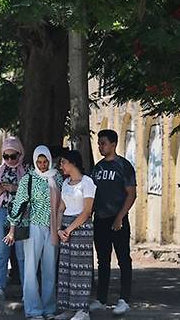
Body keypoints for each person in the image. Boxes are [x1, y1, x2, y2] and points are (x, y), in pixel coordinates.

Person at [5, 145, 63, 319]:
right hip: (34, 227)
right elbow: (19, 205)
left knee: (50, 269)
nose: (43, 165)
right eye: (40, 162)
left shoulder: (57, 177)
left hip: (52, 228)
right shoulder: (29, 179)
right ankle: (33, 309)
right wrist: (12, 230)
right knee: (30, 269)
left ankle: (49, 308)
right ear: (35, 161)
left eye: (45, 162)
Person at [89, 129, 136, 315]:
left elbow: (131, 194)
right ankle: (101, 298)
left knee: (123, 259)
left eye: (103, 143)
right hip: (100, 219)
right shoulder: (98, 168)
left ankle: (124, 299)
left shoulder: (124, 166)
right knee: (103, 260)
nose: (100, 146)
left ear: (113, 144)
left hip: (118, 219)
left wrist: (119, 217)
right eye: (99, 143)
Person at [55, 150, 96, 320]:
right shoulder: (65, 183)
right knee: (66, 270)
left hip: (80, 230)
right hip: (65, 229)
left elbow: (86, 212)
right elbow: (61, 208)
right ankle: (68, 308)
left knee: (81, 270)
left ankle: (82, 310)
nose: (61, 166)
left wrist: (69, 229)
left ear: (73, 163)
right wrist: (59, 229)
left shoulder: (87, 183)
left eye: (64, 162)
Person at [0, 136, 26, 301]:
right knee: (1, 252)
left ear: (20, 154)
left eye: (13, 156)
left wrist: (14, 188)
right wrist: (1, 192)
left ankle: (27, 289)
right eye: (6, 156)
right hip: (1, 212)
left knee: (22, 254)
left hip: (21, 214)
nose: (10, 160)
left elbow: (31, 194)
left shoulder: (26, 171)